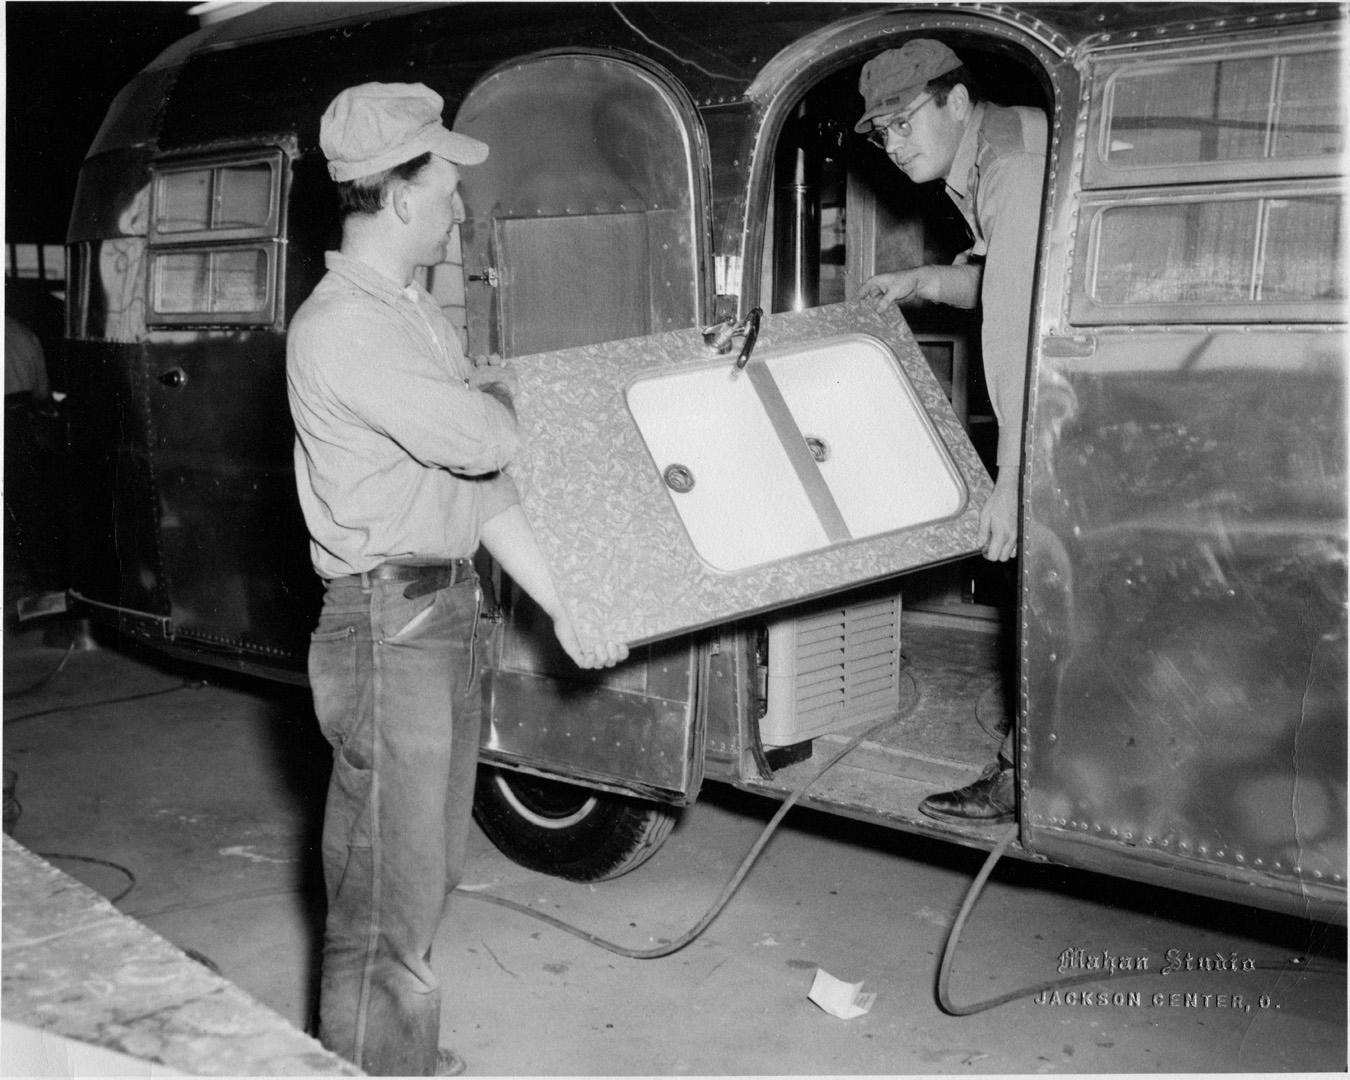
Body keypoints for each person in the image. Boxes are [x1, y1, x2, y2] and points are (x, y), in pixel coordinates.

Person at [287, 81, 628, 1076]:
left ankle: (393, 1057)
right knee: (385, 901)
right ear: (400, 198)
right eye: (446, 187)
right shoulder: (343, 327)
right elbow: (485, 437)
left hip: (440, 615)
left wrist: (564, 604)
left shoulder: (410, 318)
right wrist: (516, 395)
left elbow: (481, 492)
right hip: (384, 627)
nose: (459, 207)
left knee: (426, 872)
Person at [855, 40, 1046, 824]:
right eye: (882, 133)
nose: (894, 144)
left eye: (903, 122)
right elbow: (1003, 277)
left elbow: (1017, 333)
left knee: (1041, 586)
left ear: (957, 101)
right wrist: (922, 281)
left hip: (1077, 401)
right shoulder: (996, 148)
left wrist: (1013, 485)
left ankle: (1025, 778)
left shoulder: (1010, 166)